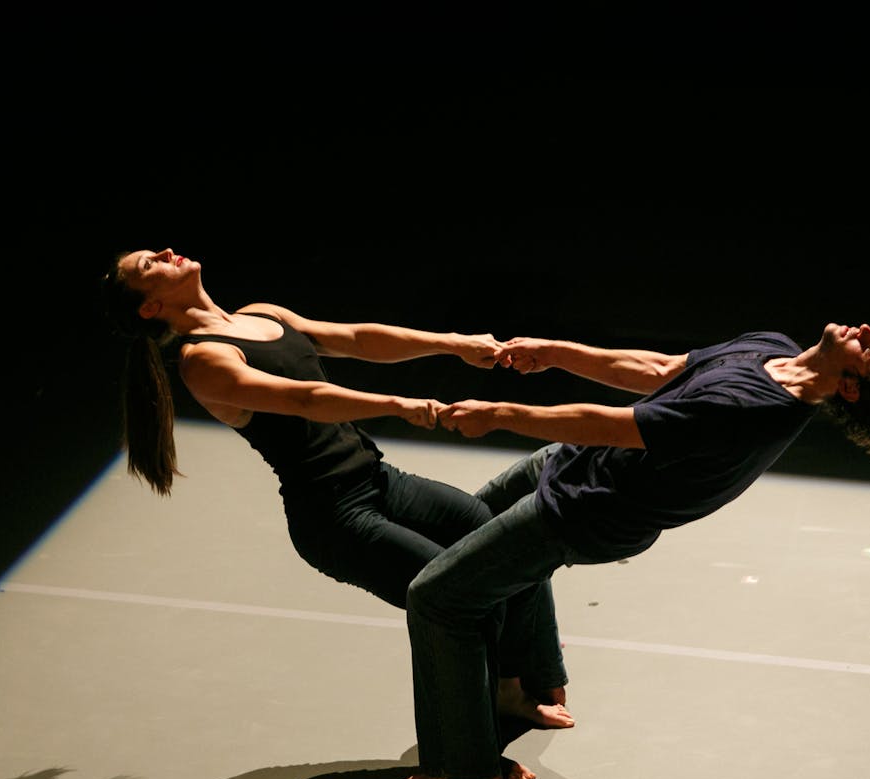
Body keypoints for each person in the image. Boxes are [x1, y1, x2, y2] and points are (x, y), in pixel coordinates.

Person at [388, 323, 870, 779]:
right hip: (577, 463)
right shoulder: (771, 347)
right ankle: (527, 687)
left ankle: (467, 771)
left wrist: (501, 414)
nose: (867, 333)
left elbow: (615, 426)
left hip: (588, 508)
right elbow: (660, 368)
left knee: (439, 597)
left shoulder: (753, 410)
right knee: (475, 530)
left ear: (849, 388)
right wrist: (554, 352)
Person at [102, 247, 574, 746]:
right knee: (458, 599)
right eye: (150, 265)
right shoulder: (204, 360)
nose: (166, 253)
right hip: (333, 517)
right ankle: (474, 752)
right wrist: (402, 405)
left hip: (378, 479)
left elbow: (355, 339)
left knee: (505, 543)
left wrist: (452, 344)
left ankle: (521, 685)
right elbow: (303, 399)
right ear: (150, 307)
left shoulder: (262, 315)